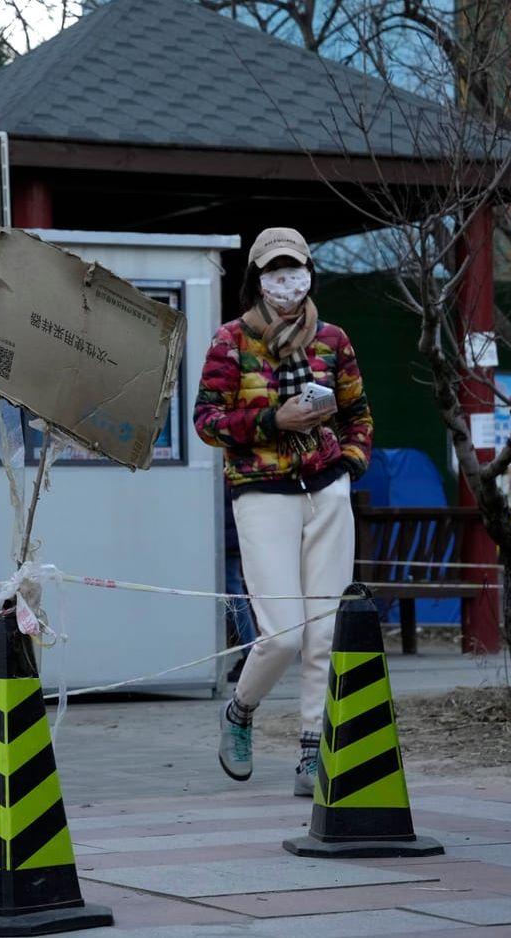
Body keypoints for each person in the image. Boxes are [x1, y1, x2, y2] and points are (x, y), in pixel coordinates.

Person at [194, 228, 373, 796]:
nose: (287, 281)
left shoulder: (332, 339)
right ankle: (241, 709)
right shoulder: (231, 341)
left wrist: (347, 465)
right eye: (275, 271)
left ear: (309, 273)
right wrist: (274, 422)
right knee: (282, 635)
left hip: (326, 489)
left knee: (324, 630)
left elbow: (359, 414)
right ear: (257, 277)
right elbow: (206, 421)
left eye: (295, 269)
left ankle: (312, 750)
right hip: (261, 490)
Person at [223, 498, 257, 683]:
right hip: (234, 535)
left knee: (234, 595)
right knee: (235, 593)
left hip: (225, 538)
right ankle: (250, 650)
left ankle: (250, 650)